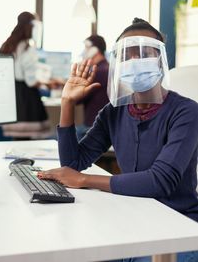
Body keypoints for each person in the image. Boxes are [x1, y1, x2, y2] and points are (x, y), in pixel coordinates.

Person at [38, 18, 198, 262]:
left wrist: (84, 180)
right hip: (131, 219)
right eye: (127, 55)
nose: (135, 61)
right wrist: (67, 103)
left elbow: (160, 181)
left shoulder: (186, 112)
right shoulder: (113, 112)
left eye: (145, 53)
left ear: (161, 61)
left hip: (178, 227)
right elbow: (73, 162)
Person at [0, 11, 51, 139]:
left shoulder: (7, 46)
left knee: (16, 139)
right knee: (29, 142)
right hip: (27, 98)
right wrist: (48, 83)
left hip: (12, 95)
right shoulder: (28, 49)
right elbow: (31, 81)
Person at [76, 35, 109, 139]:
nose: (83, 51)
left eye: (86, 47)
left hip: (92, 126)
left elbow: (77, 99)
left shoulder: (98, 71)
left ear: (94, 50)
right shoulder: (106, 68)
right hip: (100, 124)